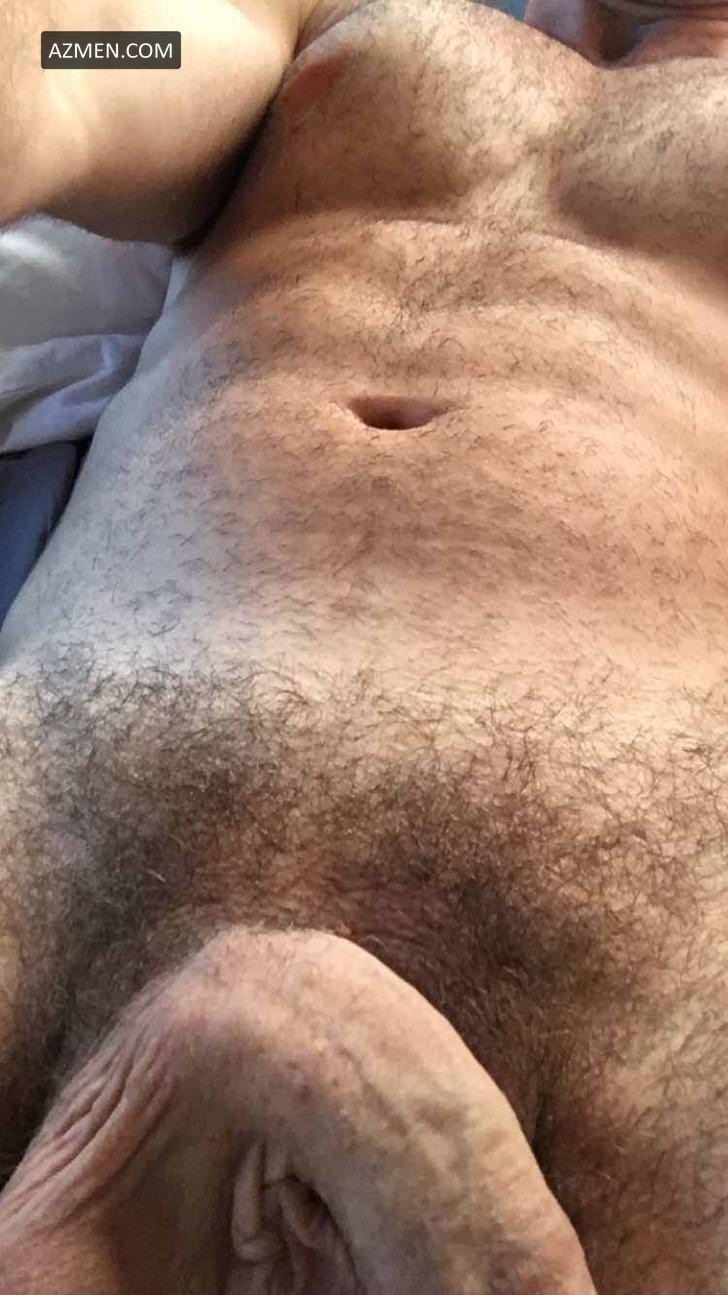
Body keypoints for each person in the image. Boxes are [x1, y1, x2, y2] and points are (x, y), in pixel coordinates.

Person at [0, 0, 726, 1288]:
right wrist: (32, 67)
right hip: (71, 788)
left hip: (623, 896)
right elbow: (100, 53)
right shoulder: (344, 25)